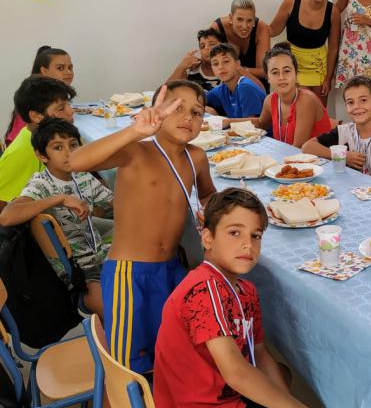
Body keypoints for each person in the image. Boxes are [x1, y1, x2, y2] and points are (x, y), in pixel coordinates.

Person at [154, 188, 338, 408]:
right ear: (207, 238)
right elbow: (236, 373)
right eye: (234, 232)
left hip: (227, 400)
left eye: (256, 235)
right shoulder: (204, 289)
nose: (247, 244)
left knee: (284, 378)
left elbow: (260, 355)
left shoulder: (245, 290)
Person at [69, 79, 216, 374]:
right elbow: (76, 160)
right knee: (126, 369)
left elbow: (208, 194)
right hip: (129, 275)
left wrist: (213, 211)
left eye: (197, 112)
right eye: (177, 108)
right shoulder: (136, 152)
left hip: (173, 269)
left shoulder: (196, 157)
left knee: (170, 354)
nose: (188, 117)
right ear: (156, 112)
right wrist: (135, 131)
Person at [0, 118, 113, 317]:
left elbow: (115, 204)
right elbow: (7, 217)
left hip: (101, 254)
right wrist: (59, 198)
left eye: (73, 144)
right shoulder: (41, 184)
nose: (69, 152)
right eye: (58, 147)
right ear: (41, 155)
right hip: (80, 272)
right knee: (115, 311)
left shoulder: (83, 177)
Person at [302, 75, 371, 181]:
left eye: (363, 100)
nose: (356, 106)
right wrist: (343, 156)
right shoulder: (342, 132)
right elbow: (307, 147)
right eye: (350, 102)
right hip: (348, 192)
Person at [229, 44, 331, 147]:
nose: (281, 77)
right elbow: (260, 124)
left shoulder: (306, 100)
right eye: (275, 72)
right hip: (289, 157)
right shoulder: (270, 100)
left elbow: (298, 148)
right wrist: (226, 122)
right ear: (268, 77)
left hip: (315, 161)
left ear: (296, 74)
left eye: (287, 71)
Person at [0, 76, 75, 212]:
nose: (71, 111)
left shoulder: (43, 138)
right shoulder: (22, 152)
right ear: (36, 116)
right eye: (61, 108)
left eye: (69, 104)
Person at [269, 0, 341, 105]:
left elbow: (333, 48)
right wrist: (251, 24)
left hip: (318, 67)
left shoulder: (333, 11)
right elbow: (272, 30)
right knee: (299, 108)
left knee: (319, 111)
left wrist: (328, 78)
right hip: (294, 64)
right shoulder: (292, 1)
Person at [4, 46, 74, 146]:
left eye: (70, 67)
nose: (68, 72)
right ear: (44, 71)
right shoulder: (33, 100)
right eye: (60, 68)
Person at [210, 0, 271, 89]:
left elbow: (265, 71)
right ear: (231, 17)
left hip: (256, 83)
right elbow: (212, 62)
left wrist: (240, 69)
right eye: (239, 19)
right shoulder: (217, 27)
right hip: (226, 82)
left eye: (249, 20)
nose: (244, 26)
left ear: (254, 20)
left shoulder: (262, 27)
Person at [205, 43, 265, 118]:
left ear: (237, 64)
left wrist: (220, 120)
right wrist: (204, 109)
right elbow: (198, 98)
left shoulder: (245, 87)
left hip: (257, 129)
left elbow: (250, 126)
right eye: (215, 63)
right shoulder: (222, 89)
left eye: (226, 61)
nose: (220, 67)